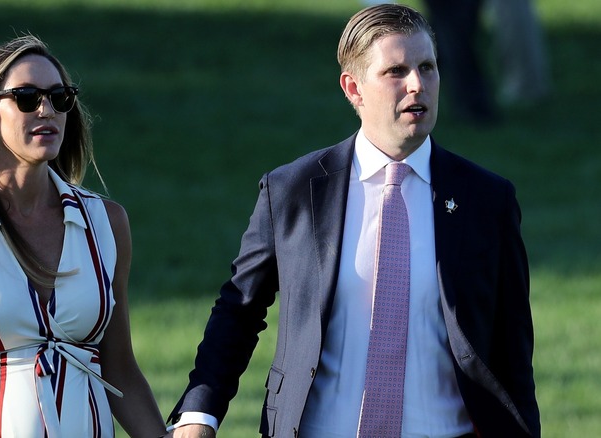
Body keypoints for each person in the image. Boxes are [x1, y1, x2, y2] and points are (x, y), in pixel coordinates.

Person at [167, 4, 539, 437]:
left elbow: (513, 349)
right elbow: (239, 310)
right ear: (353, 87)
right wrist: (199, 415)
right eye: (396, 70)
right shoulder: (294, 190)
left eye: (428, 67)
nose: (417, 84)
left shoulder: (486, 200)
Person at [0, 35, 167, 437]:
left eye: (60, 97)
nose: (46, 109)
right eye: (26, 97)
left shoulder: (107, 223)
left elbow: (121, 370)